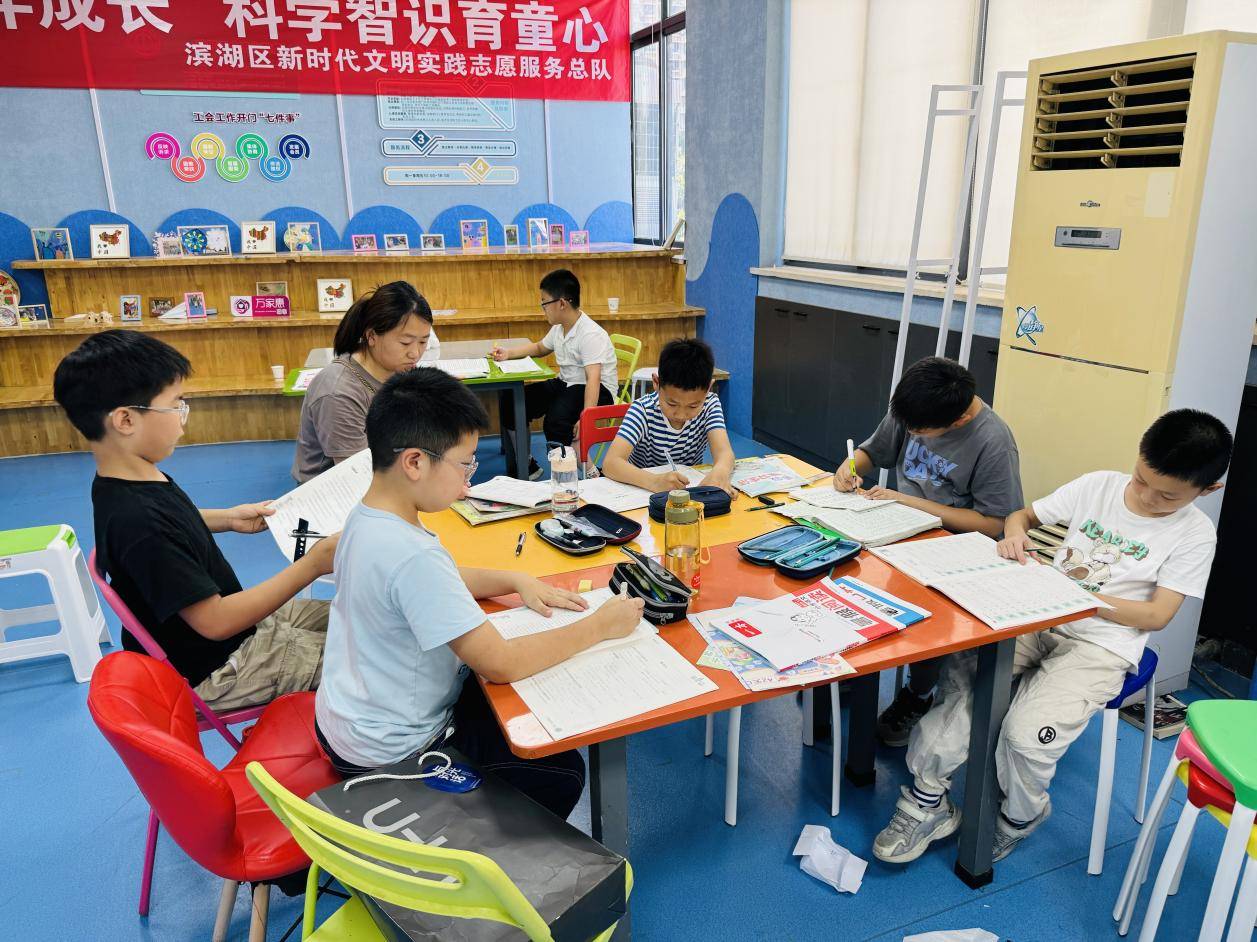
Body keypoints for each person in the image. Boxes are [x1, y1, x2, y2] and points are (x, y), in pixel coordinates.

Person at [872, 409, 1231, 865]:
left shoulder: (1195, 534)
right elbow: (1022, 516)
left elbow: (1157, 614)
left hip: (1102, 644)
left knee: (1025, 736)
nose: (1145, 497)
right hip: (1038, 616)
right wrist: (1015, 537)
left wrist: (1079, 598)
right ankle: (927, 802)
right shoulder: (1099, 485)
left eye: (1167, 496)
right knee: (963, 686)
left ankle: (1020, 817)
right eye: (1141, 479)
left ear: (1207, 490)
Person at [314, 367, 643, 818]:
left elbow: (437, 581)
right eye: (464, 464)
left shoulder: (368, 517)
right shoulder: (411, 554)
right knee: (562, 771)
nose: (468, 481)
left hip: (347, 721)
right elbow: (501, 663)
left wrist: (512, 579)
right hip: (395, 755)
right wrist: (599, 626)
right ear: (415, 462)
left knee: (495, 697)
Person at [52, 330, 338, 711]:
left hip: (238, 634)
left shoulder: (127, 477)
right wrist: (313, 564)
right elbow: (216, 622)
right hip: (222, 667)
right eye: (176, 405)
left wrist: (228, 518)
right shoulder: (138, 521)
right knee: (377, 657)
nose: (183, 419)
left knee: (360, 618)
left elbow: (171, 521)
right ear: (125, 420)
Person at [836, 356, 1024, 746]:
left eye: (920, 432)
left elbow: (994, 522)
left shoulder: (993, 441)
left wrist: (912, 503)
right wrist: (850, 466)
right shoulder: (916, 407)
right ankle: (859, 670)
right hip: (897, 529)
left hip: (951, 550)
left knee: (928, 626)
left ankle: (918, 693)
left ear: (957, 421)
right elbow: (872, 452)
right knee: (849, 579)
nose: (911, 433)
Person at [292, 281, 434, 482]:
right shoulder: (338, 393)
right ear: (372, 336)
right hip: (335, 492)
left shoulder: (397, 370)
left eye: (423, 341)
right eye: (405, 342)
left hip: (388, 473)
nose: (415, 353)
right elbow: (357, 478)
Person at [491, 269, 618, 479]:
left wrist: (586, 417)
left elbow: (593, 379)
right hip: (567, 383)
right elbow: (540, 347)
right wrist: (508, 353)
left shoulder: (590, 333)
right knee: (512, 402)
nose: (543, 309)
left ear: (562, 303)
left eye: (544, 303)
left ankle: (593, 476)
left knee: (556, 422)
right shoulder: (560, 327)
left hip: (597, 391)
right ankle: (527, 464)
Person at [601, 337, 735, 495]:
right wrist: (654, 481)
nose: (681, 415)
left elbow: (725, 453)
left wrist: (720, 473)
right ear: (656, 383)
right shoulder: (642, 411)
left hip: (687, 493)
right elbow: (611, 463)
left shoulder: (710, 405)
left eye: (693, 406)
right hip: (644, 493)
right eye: (672, 404)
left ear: (708, 389)